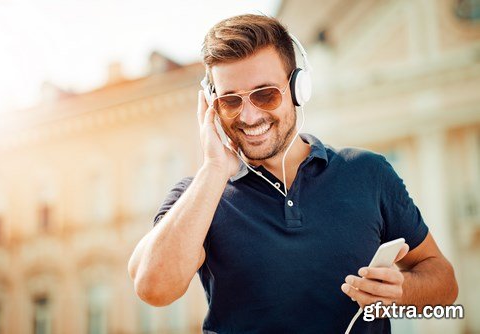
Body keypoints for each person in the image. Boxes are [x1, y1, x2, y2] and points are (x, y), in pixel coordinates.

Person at [128, 14, 458, 333]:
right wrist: (214, 168)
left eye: (265, 94)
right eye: (230, 101)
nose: (249, 115)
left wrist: (403, 291)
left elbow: (444, 284)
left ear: (298, 88)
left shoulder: (368, 172)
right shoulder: (198, 196)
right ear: (211, 107)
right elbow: (153, 288)